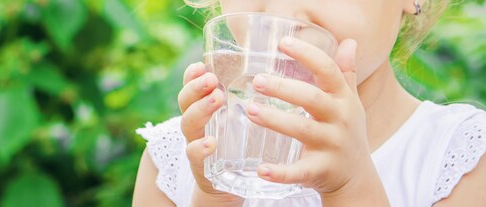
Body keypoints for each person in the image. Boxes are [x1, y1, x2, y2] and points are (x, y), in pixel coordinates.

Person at [132, 0, 486, 206]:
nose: (283, 13)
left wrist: (351, 185)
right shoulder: (172, 163)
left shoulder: (460, 162)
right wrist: (216, 194)